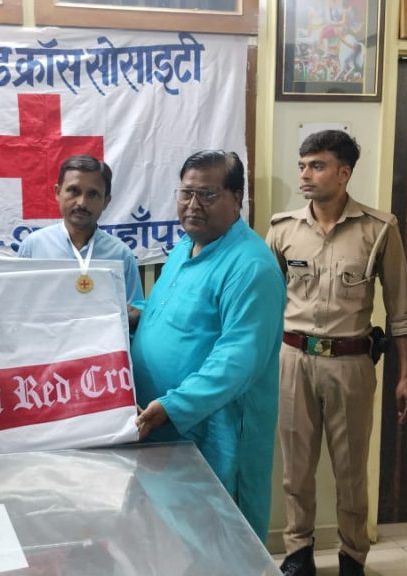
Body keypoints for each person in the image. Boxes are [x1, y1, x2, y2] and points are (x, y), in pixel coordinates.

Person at [268, 130, 407, 576]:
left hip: (351, 363)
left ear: (344, 172)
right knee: (296, 469)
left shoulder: (379, 229)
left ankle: (353, 554)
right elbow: (263, 302)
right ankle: (298, 553)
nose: (305, 174)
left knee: (351, 470)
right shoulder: (282, 230)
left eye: (317, 166)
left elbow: (402, 310)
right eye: (302, 165)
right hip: (293, 360)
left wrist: (406, 376)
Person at [132, 150, 285, 541]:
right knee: (179, 543)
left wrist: (173, 405)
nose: (193, 205)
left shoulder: (251, 267)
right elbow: (171, 312)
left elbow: (238, 360)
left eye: (207, 195)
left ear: (237, 199)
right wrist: (131, 317)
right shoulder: (185, 247)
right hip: (166, 431)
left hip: (213, 434)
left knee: (225, 545)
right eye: (186, 193)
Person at [18, 155, 144, 327]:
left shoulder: (121, 254)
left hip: (101, 343)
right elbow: (18, 307)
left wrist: (132, 316)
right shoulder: (33, 246)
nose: (82, 203)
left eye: (93, 194)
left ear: (106, 201)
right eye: (73, 191)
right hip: (44, 342)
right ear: (57, 192)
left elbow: (134, 310)